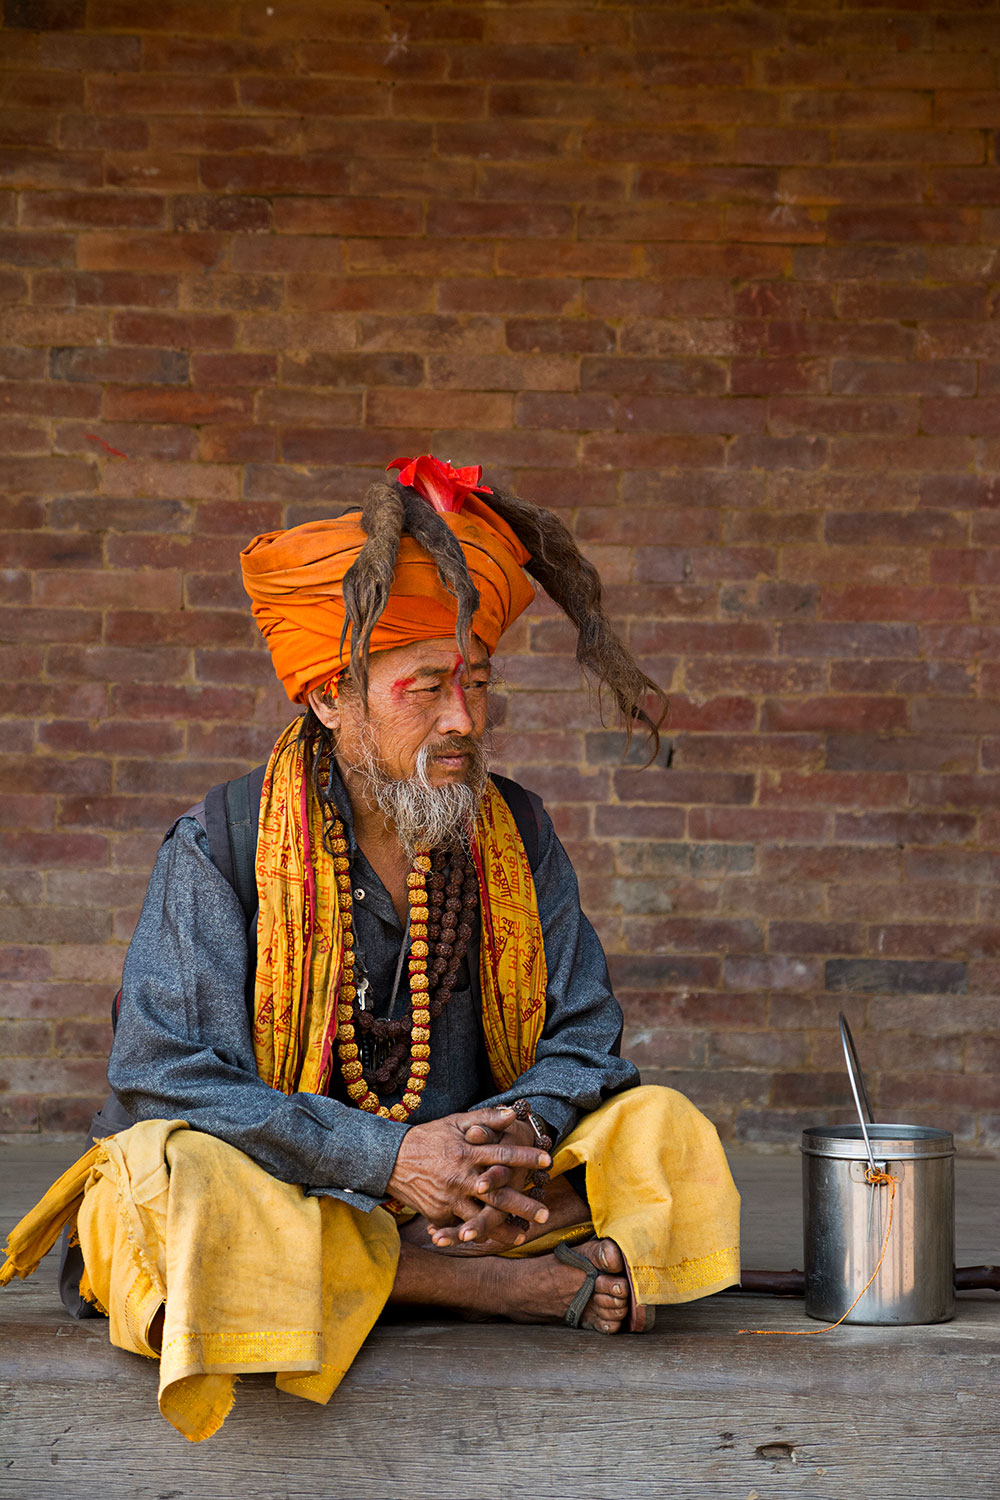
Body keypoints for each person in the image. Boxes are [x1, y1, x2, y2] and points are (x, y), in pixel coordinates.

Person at [2, 455, 740, 1442]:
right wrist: (390, 1157)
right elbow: (164, 1076)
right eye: (425, 688)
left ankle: (399, 1264)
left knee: (659, 1128)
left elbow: (588, 1044)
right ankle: (475, 1286)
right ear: (326, 696)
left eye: (475, 683)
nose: (463, 722)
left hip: (471, 1195)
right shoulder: (217, 845)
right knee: (170, 1180)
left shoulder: (514, 833)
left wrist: (502, 1146)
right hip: (283, 1188)